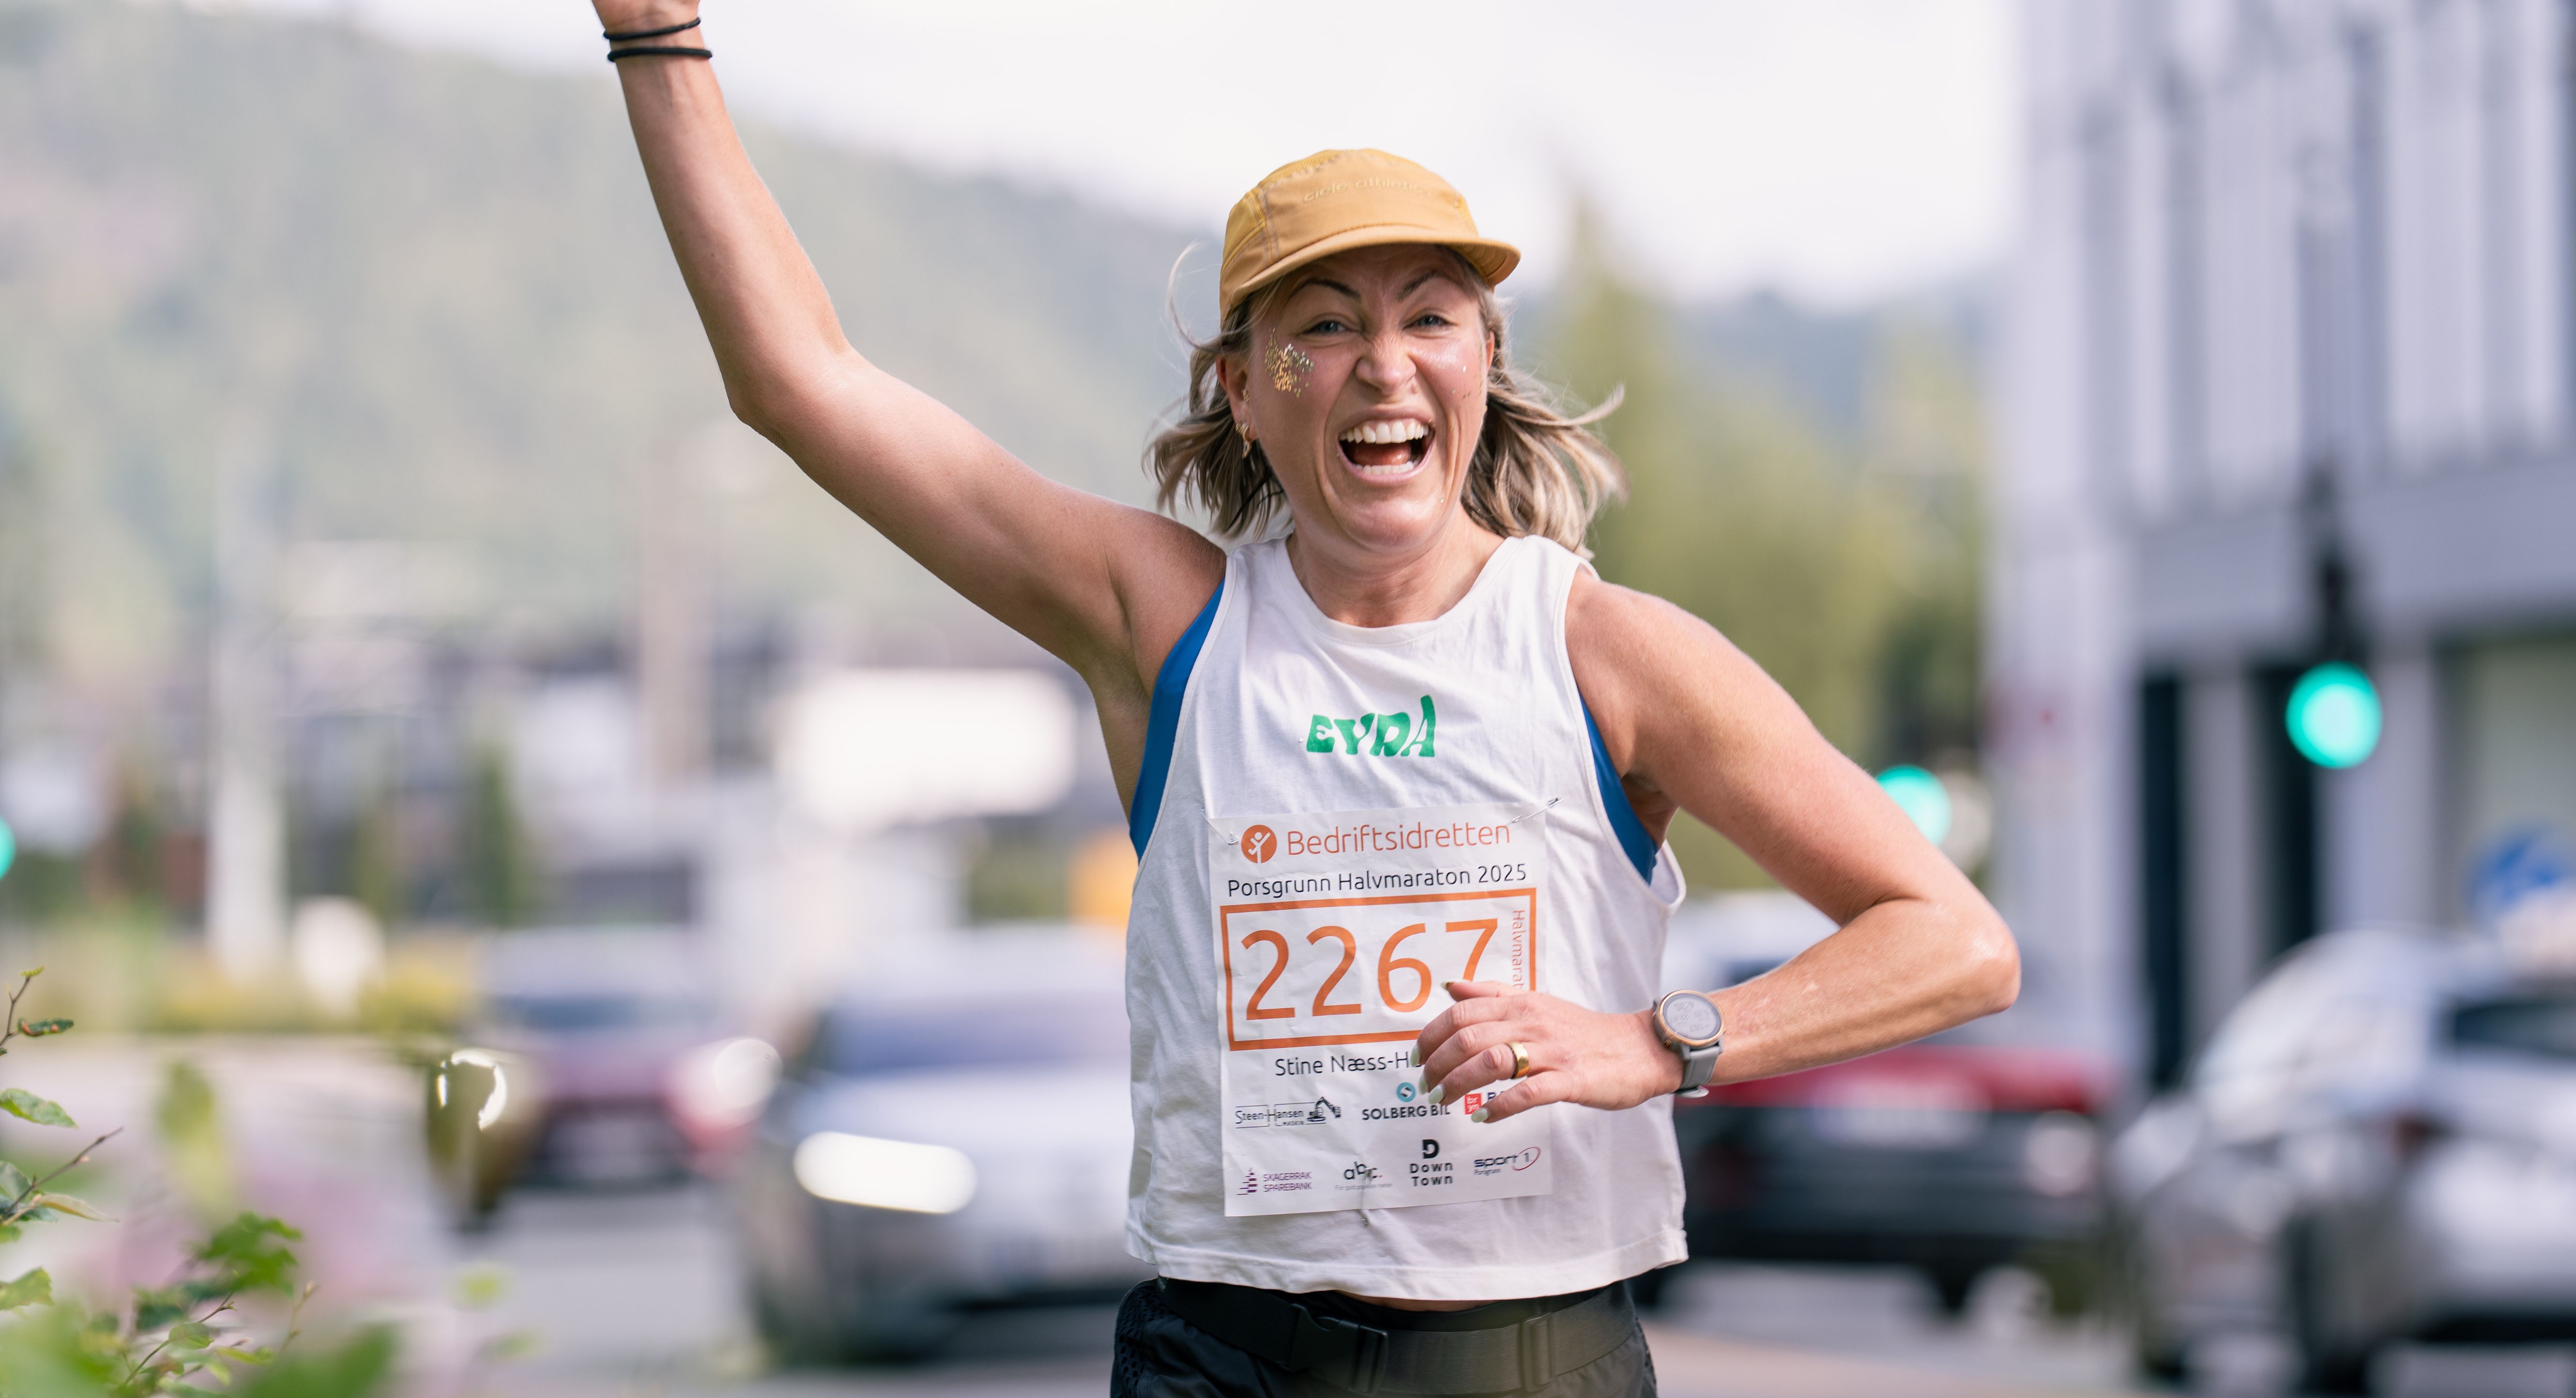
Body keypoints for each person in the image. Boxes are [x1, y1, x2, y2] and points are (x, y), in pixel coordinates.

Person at [590, 9, 2020, 1394]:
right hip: (1224, 1353)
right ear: (1242, 389)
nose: (1383, 363)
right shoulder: (1164, 623)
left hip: (1525, 1357)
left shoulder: (1607, 651)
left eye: (1430, 318)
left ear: (1482, 364)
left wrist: (1651, 1043)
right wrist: (660, 40)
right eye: (1323, 326)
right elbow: (801, 383)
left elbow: (1952, 941)